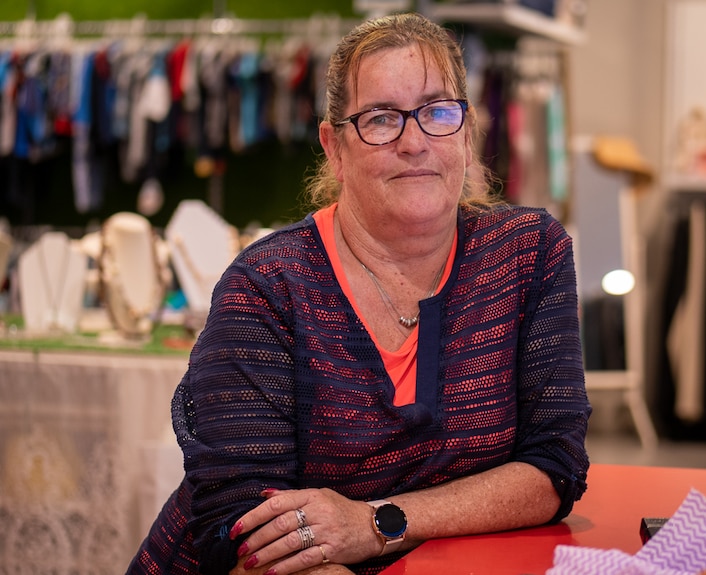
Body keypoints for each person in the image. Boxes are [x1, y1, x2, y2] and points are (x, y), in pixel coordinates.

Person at [126, 12, 590, 575]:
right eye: (380, 118)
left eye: (438, 111)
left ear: (467, 134)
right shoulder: (268, 288)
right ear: (334, 148)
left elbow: (554, 467)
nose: (414, 141)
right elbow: (242, 534)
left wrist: (375, 523)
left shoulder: (528, 254)